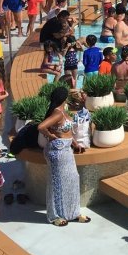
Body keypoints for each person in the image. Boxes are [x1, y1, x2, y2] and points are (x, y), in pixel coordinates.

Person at [37, 86, 90, 226]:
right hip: (57, 150)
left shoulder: (63, 111)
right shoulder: (57, 113)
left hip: (66, 149)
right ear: (64, 97)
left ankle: (73, 213)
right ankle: (55, 216)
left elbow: (67, 132)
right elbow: (41, 127)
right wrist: (51, 136)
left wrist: (74, 143)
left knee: (73, 179)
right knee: (57, 183)